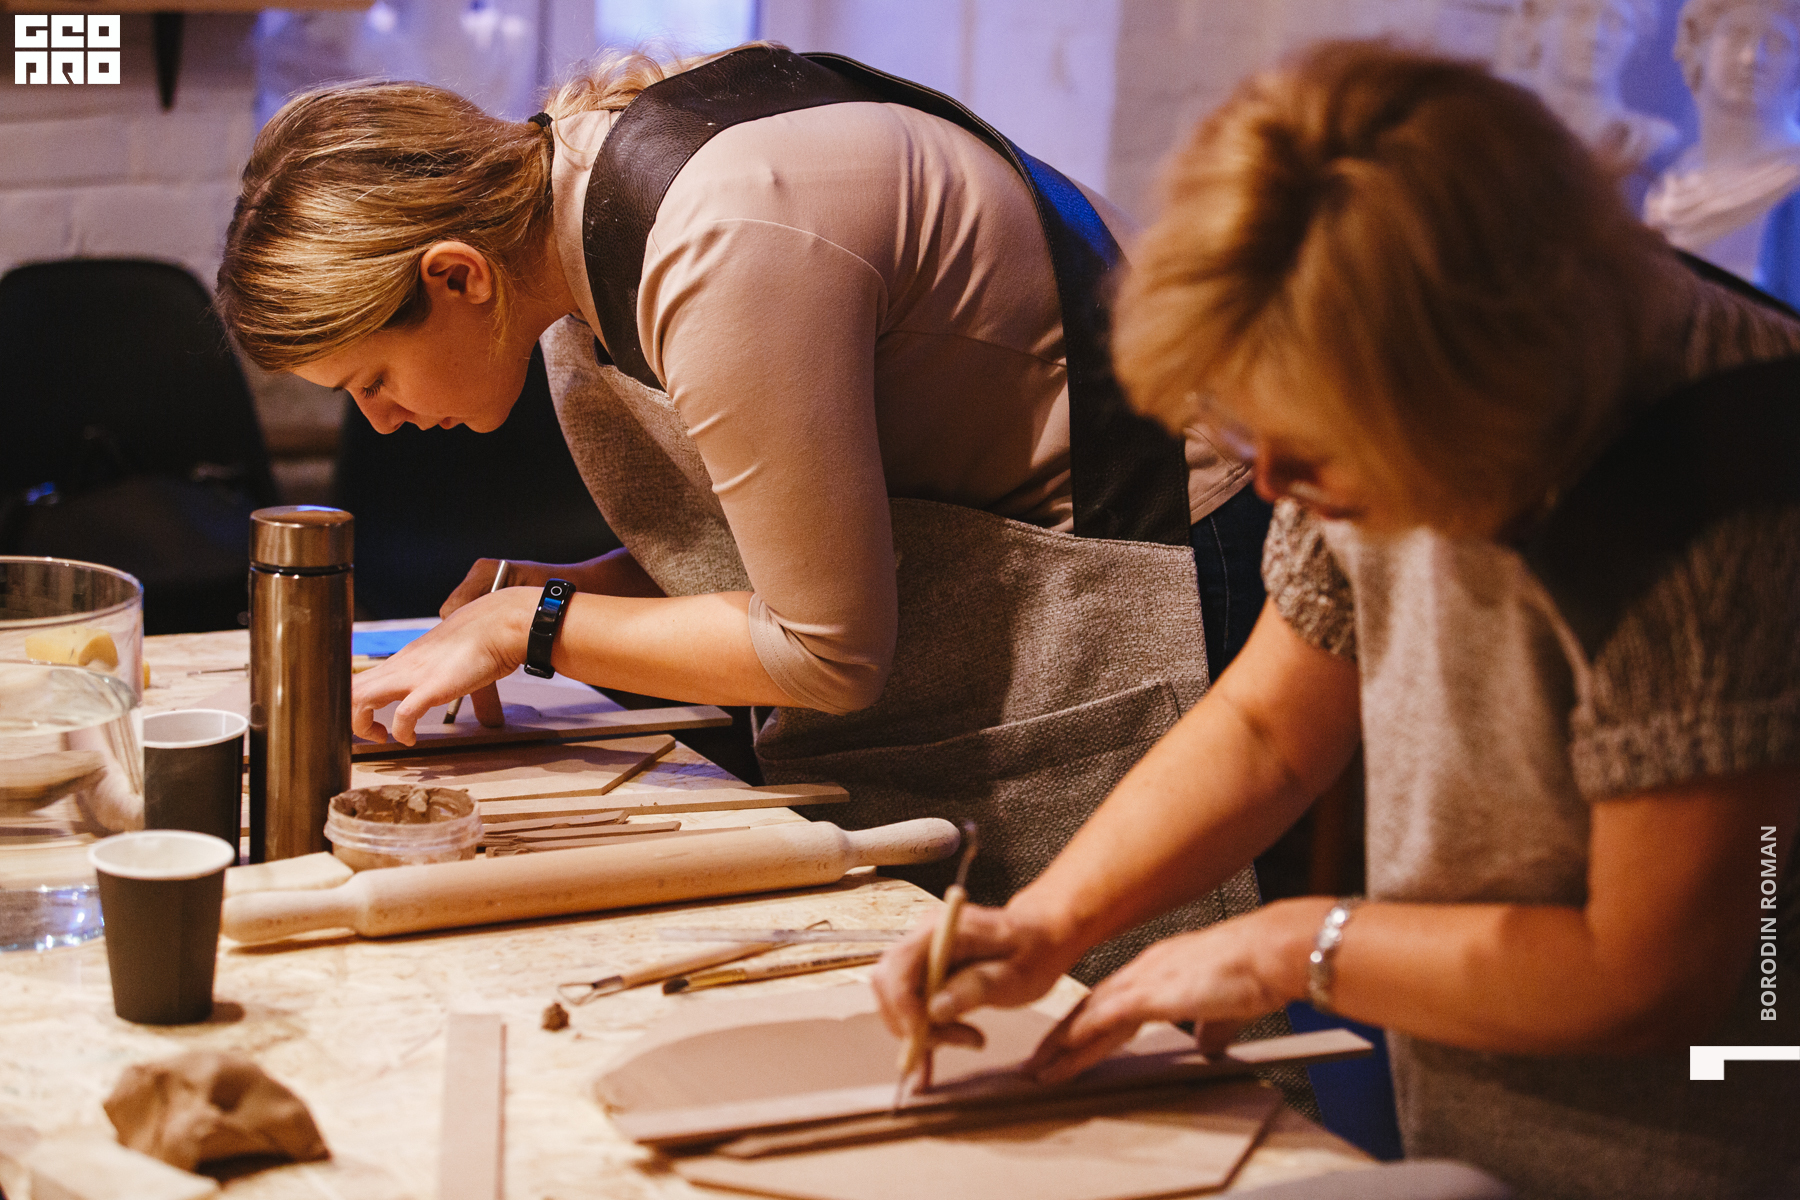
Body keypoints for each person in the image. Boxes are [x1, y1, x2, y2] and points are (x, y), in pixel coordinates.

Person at [874, 41, 1799, 1200]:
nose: (1272, 485)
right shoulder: (1375, 375)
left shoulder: (1726, 493)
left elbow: (1655, 974)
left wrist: (1288, 946)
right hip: (1486, 1092)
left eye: (1307, 454)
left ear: (1465, 394)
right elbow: (1269, 726)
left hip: (1722, 1107)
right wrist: (1048, 924)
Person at [214, 45, 1282, 986]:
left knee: (1145, 1026)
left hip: (1160, 559)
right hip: (1009, 551)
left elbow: (827, 650)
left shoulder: (717, 241)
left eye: (373, 379)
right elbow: (783, 535)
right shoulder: (564, 212)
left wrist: (528, 626)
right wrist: (577, 588)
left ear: (457, 276)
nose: (383, 422)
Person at [1645, 0, 1800, 307]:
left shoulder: (1790, 178)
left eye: (1777, 43)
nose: (1752, 58)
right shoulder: (1671, 184)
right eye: (1736, 34)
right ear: (1699, 44)